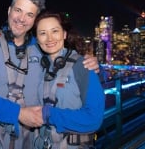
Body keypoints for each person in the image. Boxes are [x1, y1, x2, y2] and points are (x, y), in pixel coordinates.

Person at [0, 0, 101, 149]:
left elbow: (69, 69)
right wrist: (17, 113)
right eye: (18, 10)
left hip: (31, 141)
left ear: (34, 20)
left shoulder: (41, 47)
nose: (21, 19)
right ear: (9, 10)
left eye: (29, 14)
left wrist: (93, 65)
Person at [33, 11, 105, 149]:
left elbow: (94, 119)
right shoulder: (39, 67)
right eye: (42, 33)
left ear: (64, 34)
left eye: (55, 31)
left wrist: (48, 114)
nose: (49, 38)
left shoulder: (83, 66)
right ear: (37, 39)